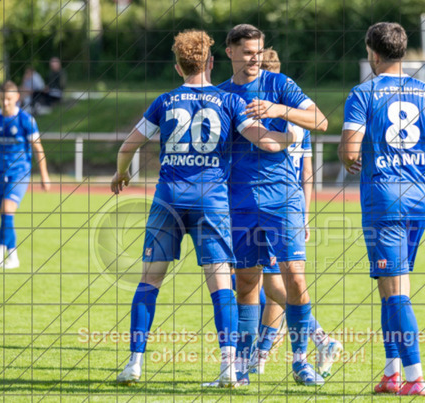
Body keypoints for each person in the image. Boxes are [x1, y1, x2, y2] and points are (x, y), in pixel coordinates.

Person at [111, 29, 300, 387]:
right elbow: (265, 142)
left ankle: (134, 362)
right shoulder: (229, 101)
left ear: (178, 67)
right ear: (211, 62)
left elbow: (127, 147)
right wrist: (292, 136)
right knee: (221, 286)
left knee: (149, 281)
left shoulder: (164, 101)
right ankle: (229, 367)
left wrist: (121, 174)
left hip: (169, 199)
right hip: (210, 200)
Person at [339, 22, 425, 395]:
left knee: (395, 291)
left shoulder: (363, 93)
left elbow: (349, 150)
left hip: (384, 199)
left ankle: (415, 378)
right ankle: (392, 373)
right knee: (391, 285)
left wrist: (348, 158)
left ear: (373, 53)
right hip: (418, 198)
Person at [218, 24, 328, 386]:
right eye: (247, 52)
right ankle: (242, 366)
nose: (255, 59)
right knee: (247, 282)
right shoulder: (221, 95)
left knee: (294, 276)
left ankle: (301, 361)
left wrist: (279, 109)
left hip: (282, 196)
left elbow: (320, 120)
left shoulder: (279, 84)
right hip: (239, 199)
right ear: (230, 52)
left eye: (259, 52)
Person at [247, 48, 343, 379]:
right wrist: (305, 214)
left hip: (274, 205)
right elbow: (308, 172)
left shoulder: (276, 118)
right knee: (271, 283)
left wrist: (303, 215)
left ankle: (320, 340)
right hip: (281, 206)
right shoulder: (292, 116)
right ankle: (260, 355)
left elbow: (304, 170)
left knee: (270, 283)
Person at [0, 80, 51, 269]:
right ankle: (13, 256)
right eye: (2, 99)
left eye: (9, 99)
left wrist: (44, 175)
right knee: (4, 213)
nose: (5, 103)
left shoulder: (26, 120)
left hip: (20, 171)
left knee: (7, 208)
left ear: (17, 97)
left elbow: (38, 148)